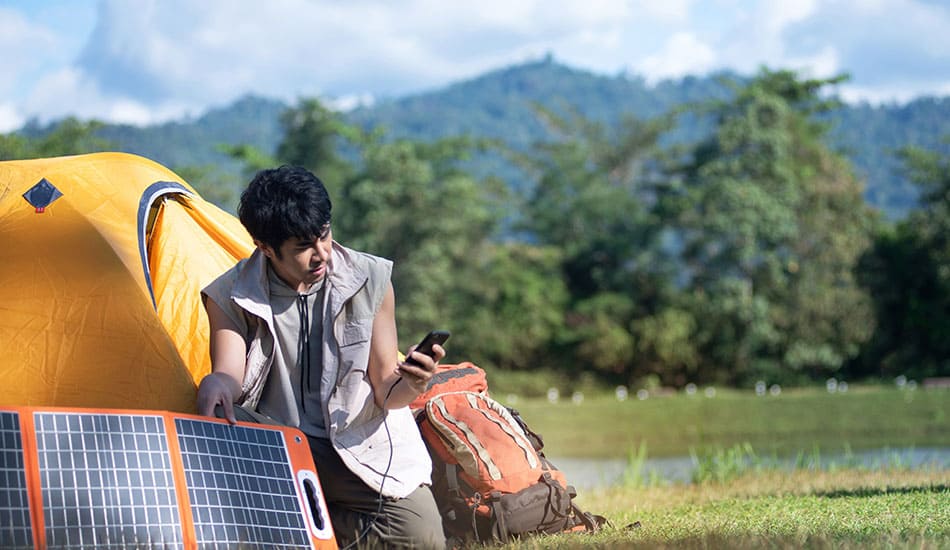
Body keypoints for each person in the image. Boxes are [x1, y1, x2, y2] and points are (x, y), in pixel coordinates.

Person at [196, 165, 446, 549]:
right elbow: (228, 372)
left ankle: (305, 525)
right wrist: (215, 383)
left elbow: (386, 391)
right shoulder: (228, 293)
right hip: (277, 449)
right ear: (265, 247)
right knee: (212, 415)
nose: (321, 254)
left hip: (356, 443)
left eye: (324, 236)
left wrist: (412, 380)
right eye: (303, 247)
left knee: (421, 539)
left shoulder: (371, 277)